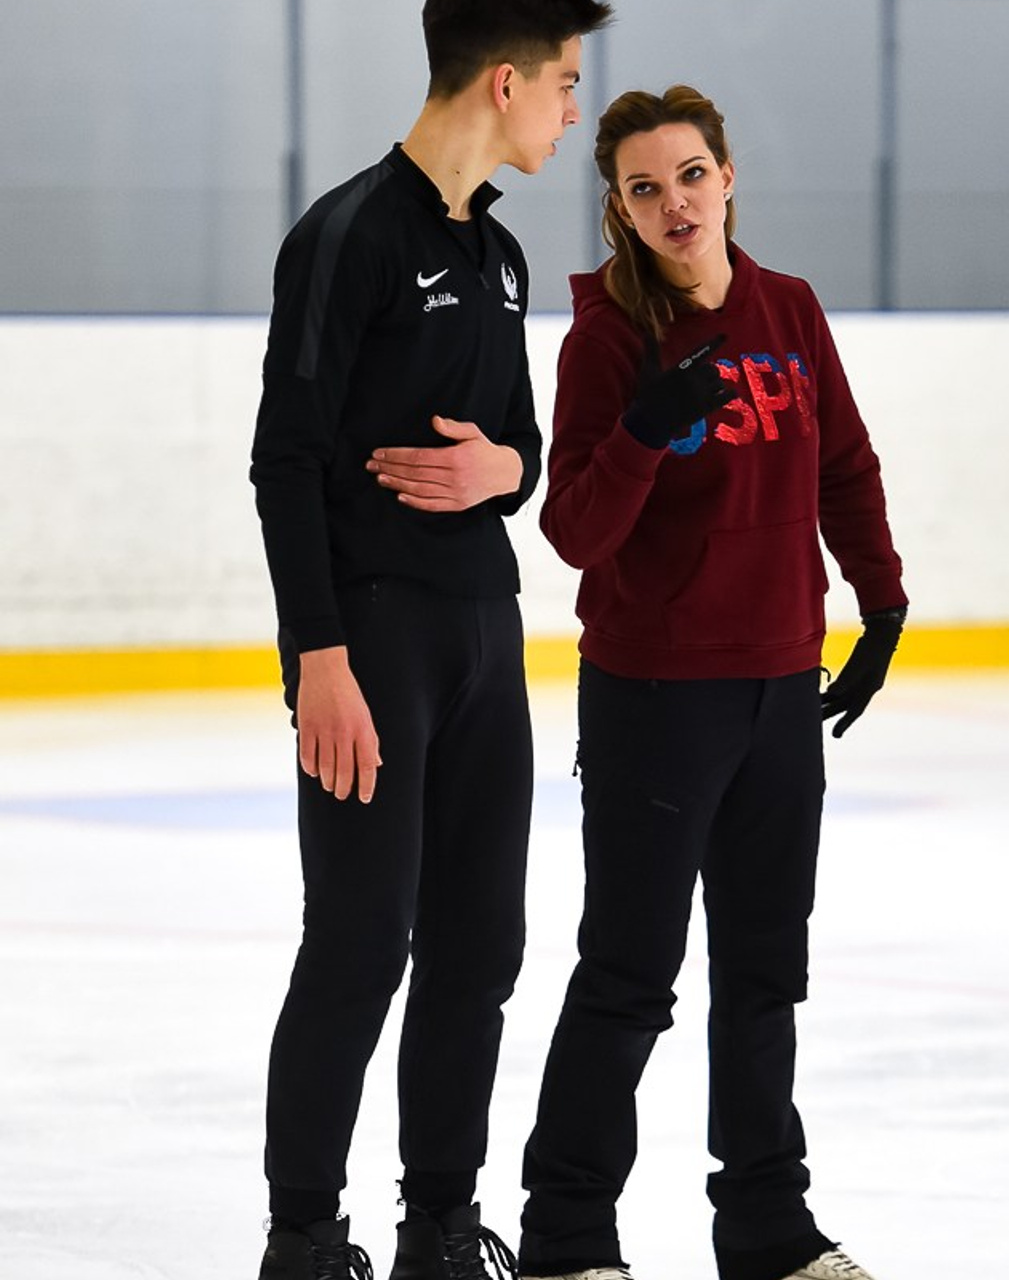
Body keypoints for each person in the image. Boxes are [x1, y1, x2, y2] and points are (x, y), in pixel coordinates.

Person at [515, 86, 908, 1280]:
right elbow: (574, 530)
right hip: (654, 698)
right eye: (643, 186)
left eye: (689, 174)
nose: (672, 201)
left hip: (782, 684)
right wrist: (640, 431)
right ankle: (566, 1237)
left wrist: (878, 598)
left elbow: (841, 459)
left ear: (726, 176)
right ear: (618, 211)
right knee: (631, 973)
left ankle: (765, 1227)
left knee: (763, 972)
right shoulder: (606, 339)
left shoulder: (786, 308)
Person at [248, 3, 613, 1278]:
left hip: (482, 639)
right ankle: (301, 1238)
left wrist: (502, 468)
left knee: (481, 945)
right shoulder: (344, 237)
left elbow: (518, 449)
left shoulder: (502, 260)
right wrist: (320, 662)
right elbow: (282, 463)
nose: (573, 107)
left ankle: (440, 1231)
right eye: (565, 82)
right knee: (358, 939)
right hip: (374, 642)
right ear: (502, 80)